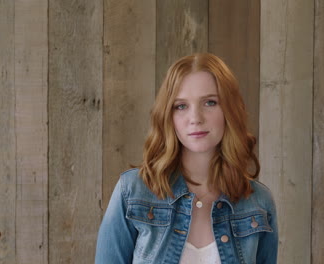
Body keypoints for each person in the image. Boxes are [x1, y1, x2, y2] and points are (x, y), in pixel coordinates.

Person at [95, 53, 278, 264]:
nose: (195, 119)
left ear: (230, 110)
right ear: (168, 116)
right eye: (181, 106)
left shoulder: (259, 202)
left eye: (210, 102)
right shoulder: (133, 192)